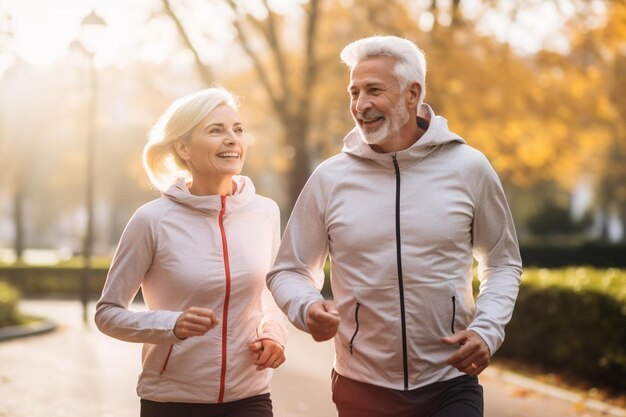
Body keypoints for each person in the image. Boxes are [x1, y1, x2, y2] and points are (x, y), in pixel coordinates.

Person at [267, 36, 522, 417]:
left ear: (411, 93)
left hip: (449, 381)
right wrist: (307, 307)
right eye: (353, 92)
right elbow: (288, 269)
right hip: (361, 386)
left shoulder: (469, 167)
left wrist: (488, 330)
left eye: (373, 90)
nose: (360, 105)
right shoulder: (330, 178)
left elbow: (502, 262)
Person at [95, 87, 288, 417]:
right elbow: (108, 314)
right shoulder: (152, 221)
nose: (232, 139)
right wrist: (171, 325)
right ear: (183, 147)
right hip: (172, 401)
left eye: (237, 129)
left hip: (250, 396)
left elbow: (271, 290)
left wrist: (273, 335)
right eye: (216, 130)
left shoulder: (265, 212)